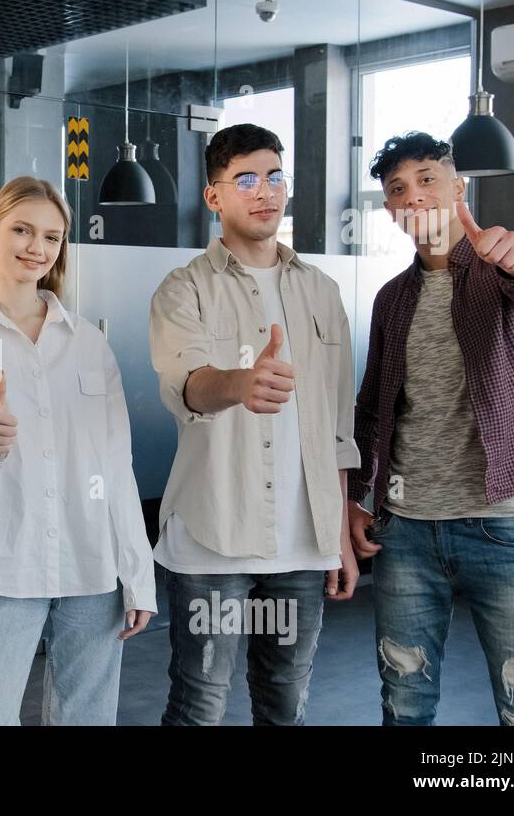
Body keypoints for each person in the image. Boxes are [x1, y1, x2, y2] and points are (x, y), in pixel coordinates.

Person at [347, 132, 514, 726]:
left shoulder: (513, 261)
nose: (413, 196)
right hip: (408, 536)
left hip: (508, 526)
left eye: (427, 179)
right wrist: (355, 497)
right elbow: (372, 405)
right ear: (392, 211)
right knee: (403, 703)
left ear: (458, 187)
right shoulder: (392, 298)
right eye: (398, 189)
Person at [0, 175, 156, 725]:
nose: (36, 247)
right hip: (10, 566)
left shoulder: (88, 341)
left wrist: (138, 574)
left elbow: (117, 467)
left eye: (52, 237)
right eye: (23, 230)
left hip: (93, 568)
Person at [149, 123, 359, 726]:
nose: (264, 190)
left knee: (285, 703)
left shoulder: (322, 291)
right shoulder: (182, 288)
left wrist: (338, 533)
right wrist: (239, 383)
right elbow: (186, 385)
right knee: (200, 705)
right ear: (214, 197)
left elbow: (337, 427)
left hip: (302, 540)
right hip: (213, 535)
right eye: (245, 178)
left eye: (274, 175)